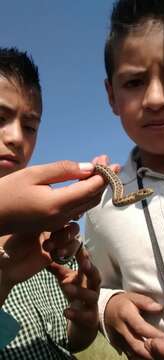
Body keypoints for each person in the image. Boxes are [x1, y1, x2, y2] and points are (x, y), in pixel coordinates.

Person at [85, 0, 164, 359]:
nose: (155, 98)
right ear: (111, 96)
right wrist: (107, 306)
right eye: (134, 82)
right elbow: (98, 284)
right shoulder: (99, 208)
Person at [0, 47, 113, 358]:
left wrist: (84, 319)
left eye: (30, 126)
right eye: (0, 117)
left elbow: (66, 341)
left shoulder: (52, 241)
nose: (15, 137)